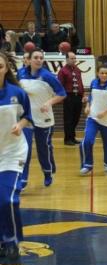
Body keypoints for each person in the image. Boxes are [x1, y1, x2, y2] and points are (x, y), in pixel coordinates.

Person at [17, 48, 66, 189]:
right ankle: (23, 179)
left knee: (43, 149)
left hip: (44, 118)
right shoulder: (21, 73)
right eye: (36, 57)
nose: (39, 60)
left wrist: (49, 102)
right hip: (26, 119)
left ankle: (48, 173)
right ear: (29, 60)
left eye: (41, 58)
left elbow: (62, 94)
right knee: (24, 149)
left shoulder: (48, 76)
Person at [0, 51, 32, 260]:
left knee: (7, 200)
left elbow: (27, 117)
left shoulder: (17, 93)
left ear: (6, 68)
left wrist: (20, 125)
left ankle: (12, 239)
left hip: (13, 152)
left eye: (0, 66)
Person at [80, 63, 107, 174]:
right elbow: (91, 96)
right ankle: (87, 165)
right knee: (87, 141)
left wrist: (105, 112)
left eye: (106, 73)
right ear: (98, 73)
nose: (104, 75)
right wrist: (88, 106)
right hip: (93, 118)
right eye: (101, 73)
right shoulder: (93, 83)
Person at [58, 51, 84, 146]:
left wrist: (83, 95)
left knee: (76, 118)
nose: (74, 60)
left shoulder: (77, 69)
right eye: (72, 58)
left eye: (74, 58)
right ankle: (67, 139)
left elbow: (80, 82)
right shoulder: (63, 71)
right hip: (68, 97)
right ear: (67, 59)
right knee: (68, 118)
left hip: (78, 97)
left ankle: (73, 137)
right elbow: (59, 85)